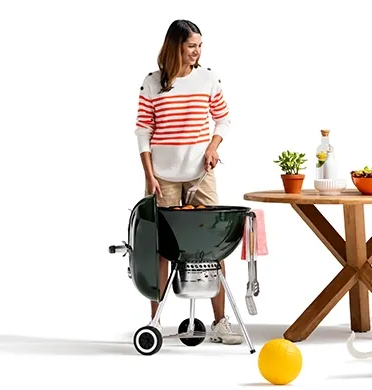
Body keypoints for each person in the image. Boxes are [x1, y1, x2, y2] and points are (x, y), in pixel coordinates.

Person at [132, 19, 242, 345]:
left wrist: (212, 148)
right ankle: (155, 322)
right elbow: (143, 133)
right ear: (175, 47)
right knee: (160, 250)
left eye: (199, 45)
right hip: (162, 178)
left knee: (214, 245)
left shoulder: (208, 79)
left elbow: (223, 118)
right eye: (191, 45)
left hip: (201, 175)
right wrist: (148, 175)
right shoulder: (152, 83)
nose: (197, 51)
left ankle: (220, 322)